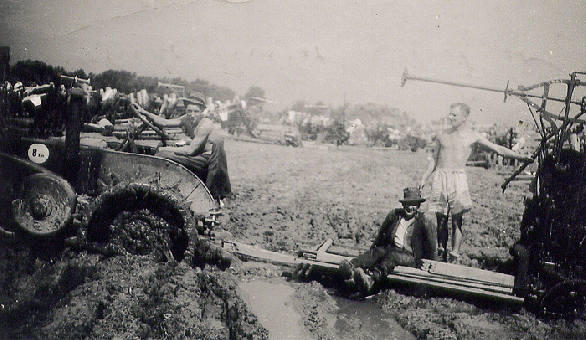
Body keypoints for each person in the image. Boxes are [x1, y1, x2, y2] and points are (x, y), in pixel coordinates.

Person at [419, 103, 532, 262]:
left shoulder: (473, 136)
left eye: (454, 115)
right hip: (440, 177)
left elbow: (497, 149)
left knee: (457, 220)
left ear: (464, 117)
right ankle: (441, 252)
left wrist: (521, 157)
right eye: (450, 114)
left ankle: (454, 255)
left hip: (457, 179)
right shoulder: (442, 134)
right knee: (441, 219)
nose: (450, 117)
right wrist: (424, 178)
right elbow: (434, 159)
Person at [338, 187, 437, 295]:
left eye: (413, 204)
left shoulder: (424, 221)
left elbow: (432, 246)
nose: (410, 207)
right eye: (407, 204)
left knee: (392, 257)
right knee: (379, 251)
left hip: (411, 256)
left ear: (418, 206)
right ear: (403, 205)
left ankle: (371, 280)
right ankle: (350, 268)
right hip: (393, 249)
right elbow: (381, 235)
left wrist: (431, 263)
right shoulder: (395, 215)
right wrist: (373, 251)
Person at [139, 93, 231, 204]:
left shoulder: (205, 124)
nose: (192, 115)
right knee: (168, 150)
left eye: (196, 111)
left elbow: (190, 150)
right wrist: (145, 113)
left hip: (207, 158)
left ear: (202, 110)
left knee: (164, 155)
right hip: (197, 153)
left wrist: (165, 149)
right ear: (186, 110)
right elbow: (164, 122)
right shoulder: (186, 118)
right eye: (189, 111)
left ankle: (157, 189)